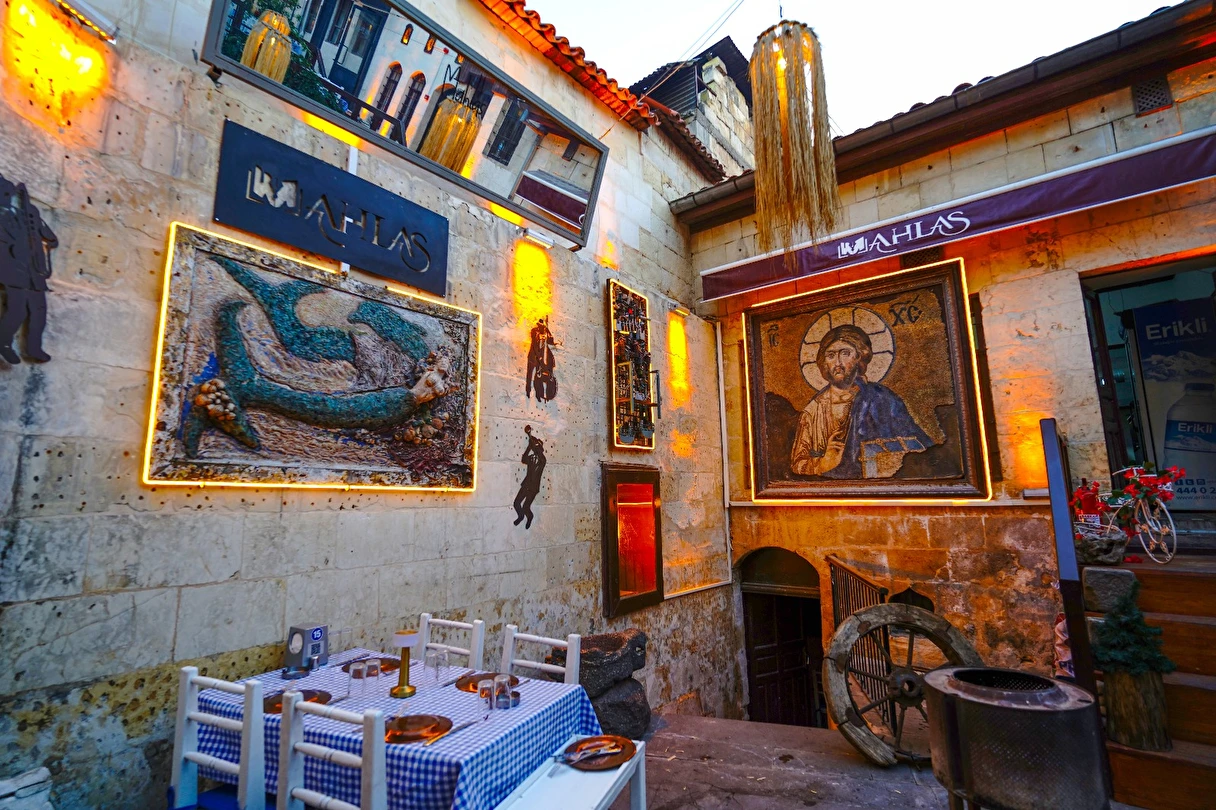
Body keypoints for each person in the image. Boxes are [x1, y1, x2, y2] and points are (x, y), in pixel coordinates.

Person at [789, 324, 931, 479]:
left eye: (845, 353)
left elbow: (920, 447)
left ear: (859, 357)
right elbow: (797, 464)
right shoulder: (812, 411)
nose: (837, 363)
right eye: (830, 355)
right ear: (823, 362)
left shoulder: (882, 398)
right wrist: (823, 463)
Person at [0, 177, 57, 364]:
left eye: (8, 193)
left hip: (34, 271)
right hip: (14, 271)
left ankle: (34, 347)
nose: (6, 196)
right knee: (17, 311)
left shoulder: (26, 213)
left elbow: (45, 232)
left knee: (39, 311)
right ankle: (4, 343)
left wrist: (48, 238)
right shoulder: (3, 217)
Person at [513, 425, 546, 529]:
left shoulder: (542, 460)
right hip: (526, 484)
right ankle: (521, 516)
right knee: (516, 503)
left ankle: (530, 517)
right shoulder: (531, 458)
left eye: (537, 447)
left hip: (533, 487)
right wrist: (529, 447)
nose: (535, 448)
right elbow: (523, 459)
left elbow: (539, 453)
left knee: (526, 507)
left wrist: (534, 442)